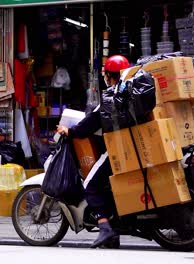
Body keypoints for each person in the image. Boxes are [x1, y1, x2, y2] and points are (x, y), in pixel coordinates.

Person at [56, 55, 130, 249]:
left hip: (117, 149)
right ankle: (113, 234)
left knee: (90, 184)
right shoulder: (130, 92)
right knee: (107, 186)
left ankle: (104, 227)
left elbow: (91, 122)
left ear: (108, 76)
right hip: (130, 147)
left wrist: (69, 131)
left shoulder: (111, 97)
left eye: (105, 74)